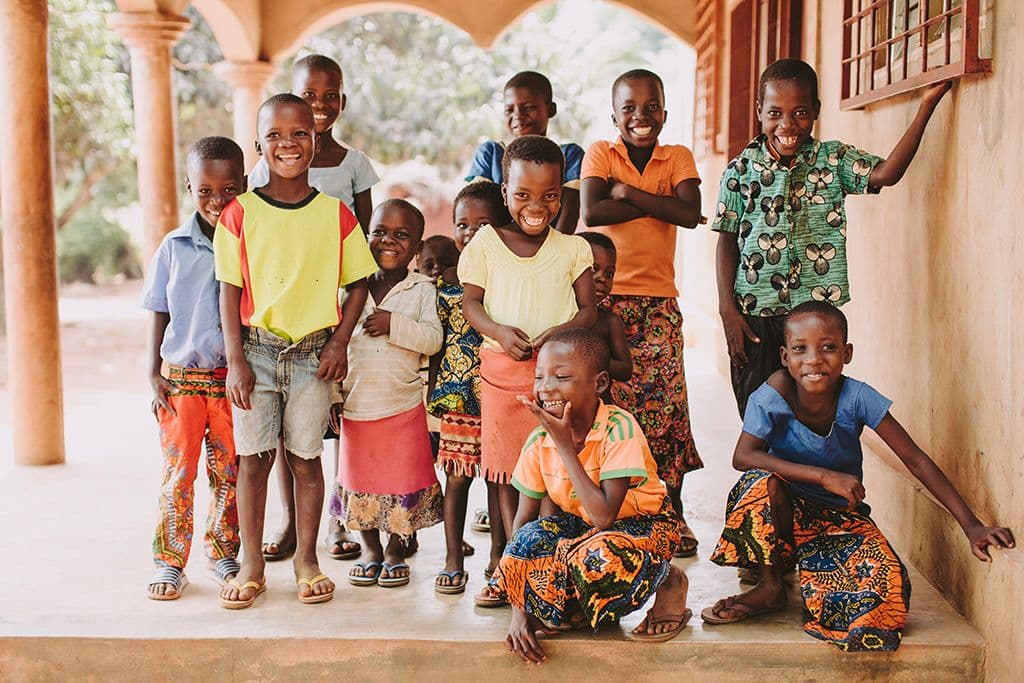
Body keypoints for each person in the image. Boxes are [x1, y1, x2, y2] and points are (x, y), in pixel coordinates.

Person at [702, 302, 1015, 651]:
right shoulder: (776, 392)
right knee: (761, 482)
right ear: (784, 356)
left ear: (847, 353)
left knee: (887, 593)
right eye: (800, 349)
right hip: (780, 521)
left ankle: (817, 581)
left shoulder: (858, 397)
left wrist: (971, 525)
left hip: (837, 521)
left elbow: (915, 460)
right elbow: (743, 457)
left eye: (828, 347)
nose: (814, 360)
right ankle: (770, 584)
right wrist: (824, 476)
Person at [713, 58, 952, 417]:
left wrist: (926, 106)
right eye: (775, 113)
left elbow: (886, 174)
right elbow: (727, 240)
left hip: (814, 317)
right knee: (758, 415)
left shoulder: (833, 160)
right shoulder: (739, 171)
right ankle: (765, 476)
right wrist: (727, 310)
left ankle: (809, 474)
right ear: (759, 111)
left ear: (816, 112)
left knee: (812, 413)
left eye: (801, 113)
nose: (787, 125)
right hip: (755, 318)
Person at [214, 93, 376, 609]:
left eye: (299, 133)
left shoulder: (336, 215)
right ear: (257, 143)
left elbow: (358, 283)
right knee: (254, 461)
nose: (288, 144)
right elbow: (229, 289)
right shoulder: (240, 213)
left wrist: (340, 340)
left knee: (306, 460)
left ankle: (308, 560)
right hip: (256, 354)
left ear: (315, 138)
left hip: (312, 355)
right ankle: (253, 567)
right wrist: (236, 359)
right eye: (276, 135)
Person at [490, 328, 689, 664]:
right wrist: (520, 609)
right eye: (539, 376)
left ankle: (669, 580)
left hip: (645, 528)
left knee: (597, 555)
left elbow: (603, 517)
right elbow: (523, 526)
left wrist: (565, 446)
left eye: (562, 376)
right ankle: (579, 606)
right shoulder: (538, 441)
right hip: (585, 531)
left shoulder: (618, 428)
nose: (546, 387)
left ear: (599, 384)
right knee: (530, 541)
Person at [250, 54, 379, 565]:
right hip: (282, 323)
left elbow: (363, 246)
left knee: (331, 426)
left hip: (334, 321)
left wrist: (342, 335)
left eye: (329, 96)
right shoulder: (265, 167)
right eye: (309, 96)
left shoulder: (354, 166)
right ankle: (288, 522)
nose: (320, 106)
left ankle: (342, 521)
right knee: (287, 434)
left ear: (342, 101)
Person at [459, 135, 597, 606]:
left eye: (550, 195)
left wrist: (558, 334)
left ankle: (550, 559)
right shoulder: (485, 243)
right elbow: (471, 303)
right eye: (522, 195)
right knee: (503, 472)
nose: (536, 206)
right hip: (503, 371)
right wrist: (498, 330)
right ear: (503, 192)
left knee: (555, 466)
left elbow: (588, 311)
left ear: (562, 193)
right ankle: (503, 556)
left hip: (558, 380)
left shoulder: (573, 249)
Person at [580, 68, 703, 557]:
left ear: (665, 113)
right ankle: (625, 513)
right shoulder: (599, 153)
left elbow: (690, 214)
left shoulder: (677, 157)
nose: (640, 116)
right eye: (629, 108)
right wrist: (661, 203)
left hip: (658, 303)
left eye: (651, 107)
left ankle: (673, 514)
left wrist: (628, 194)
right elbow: (592, 212)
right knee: (614, 411)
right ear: (615, 116)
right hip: (605, 299)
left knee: (668, 412)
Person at [143, 136, 246, 601]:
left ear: (243, 186)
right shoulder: (174, 246)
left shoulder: (249, 242)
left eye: (228, 190)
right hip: (180, 381)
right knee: (178, 473)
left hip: (230, 381)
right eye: (205, 190)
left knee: (230, 472)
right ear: (190, 188)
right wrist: (152, 371)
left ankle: (223, 551)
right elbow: (159, 308)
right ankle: (169, 562)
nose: (217, 200)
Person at [328, 199, 444, 589]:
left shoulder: (422, 290)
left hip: (403, 404)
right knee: (361, 481)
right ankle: (370, 552)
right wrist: (332, 395)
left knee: (401, 483)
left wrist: (394, 323)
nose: (387, 241)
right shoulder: (350, 288)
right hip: (357, 405)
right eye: (379, 232)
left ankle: (395, 551)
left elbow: (432, 339)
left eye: (401, 235)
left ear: (417, 245)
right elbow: (332, 345)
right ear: (365, 236)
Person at [428, 182, 511, 594]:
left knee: (499, 479)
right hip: (458, 396)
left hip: (498, 393)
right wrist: (431, 396)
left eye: (483, 224)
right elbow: (435, 343)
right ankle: (452, 557)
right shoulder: (446, 280)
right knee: (457, 478)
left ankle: (499, 553)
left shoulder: (509, 278)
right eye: (463, 224)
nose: (470, 233)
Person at [465, 71, 583, 234]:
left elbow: (569, 213)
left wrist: (554, 253)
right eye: (509, 110)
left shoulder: (568, 155)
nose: (518, 116)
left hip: (551, 250)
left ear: (551, 109)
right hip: (498, 249)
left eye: (529, 107)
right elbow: (475, 210)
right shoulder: (491, 153)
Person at [577, 232, 632, 398]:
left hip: (598, 411)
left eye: (609, 273)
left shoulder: (609, 322)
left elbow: (625, 369)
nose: (602, 278)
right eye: (593, 269)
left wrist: (592, 360)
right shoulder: (558, 316)